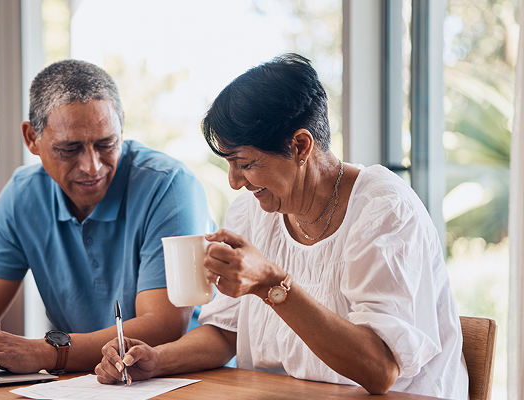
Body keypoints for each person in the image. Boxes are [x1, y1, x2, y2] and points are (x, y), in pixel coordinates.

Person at [95, 54, 469, 399]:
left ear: (301, 146)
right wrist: (156, 360)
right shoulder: (251, 211)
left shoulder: (384, 211)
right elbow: (226, 332)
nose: (234, 181)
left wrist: (272, 285)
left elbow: (380, 370)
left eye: (244, 163)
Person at [0, 59, 212, 375]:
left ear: (121, 131)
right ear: (32, 139)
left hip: (184, 379)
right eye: (69, 149)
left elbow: (163, 326)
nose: (92, 166)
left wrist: (45, 353)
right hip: (84, 382)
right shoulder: (22, 195)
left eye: (106, 143)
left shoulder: (169, 186)